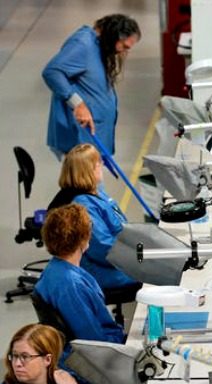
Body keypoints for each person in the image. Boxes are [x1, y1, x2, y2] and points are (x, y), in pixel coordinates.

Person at [42, 14, 140, 158]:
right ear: (114, 35)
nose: (123, 51)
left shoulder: (98, 46)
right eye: (124, 46)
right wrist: (78, 104)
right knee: (85, 180)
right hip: (81, 138)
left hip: (92, 139)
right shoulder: (83, 44)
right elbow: (52, 72)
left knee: (91, 179)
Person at [48, 143, 140, 291]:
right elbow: (103, 249)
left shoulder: (96, 193)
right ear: (88, 170)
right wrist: (138, 258)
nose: (102, 164)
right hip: (105, 272)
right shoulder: (84, 205)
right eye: (98, 163)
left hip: (119, 260)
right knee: (161, 274)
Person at [34, 204, 125, 347]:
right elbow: (94, 343)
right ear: (82, 238)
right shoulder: (71, 285)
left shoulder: (55, 268)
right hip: (96, 355)